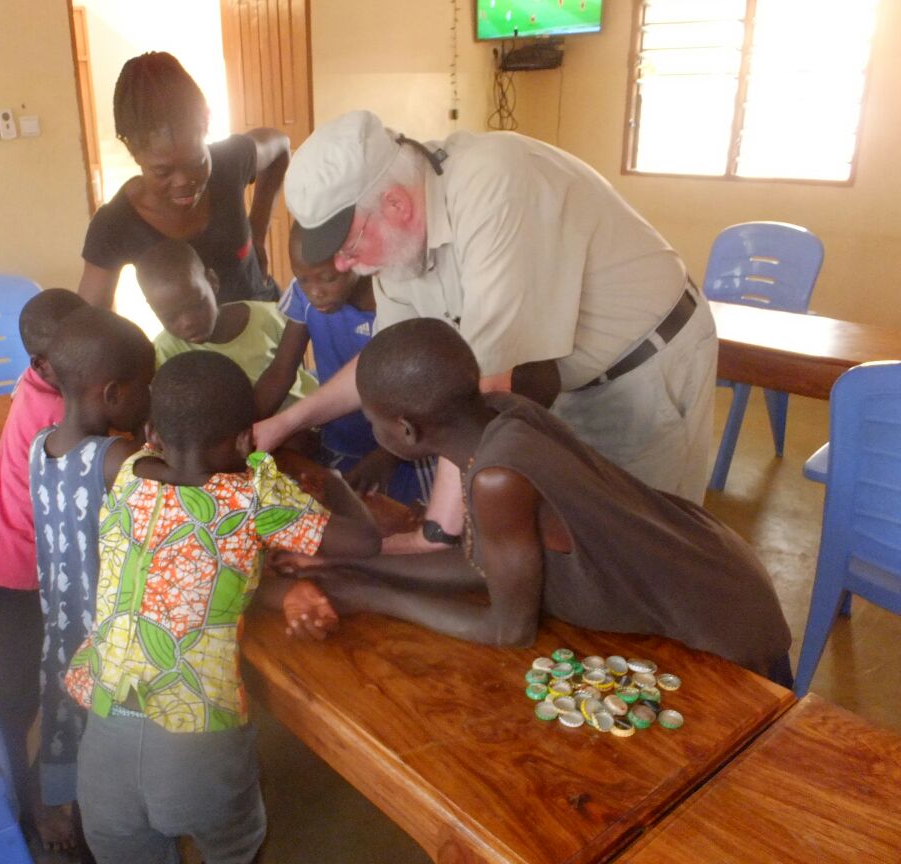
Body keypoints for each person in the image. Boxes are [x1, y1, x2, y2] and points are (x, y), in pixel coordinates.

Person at [257, 110, 717, 538]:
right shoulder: (394, 239)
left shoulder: (493, 183)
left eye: (348, 246)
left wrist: (435, 533)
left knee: (646, 544)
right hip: (567, 387)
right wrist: (283, 424)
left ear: (396, 205)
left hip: (642, 367)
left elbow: (481, 391)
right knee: (579, 539)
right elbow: (386, 359)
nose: (345, 264)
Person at [284, 319, 792, 685]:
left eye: (371, 419)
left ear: (406, 430)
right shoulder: (504, 416)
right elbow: (484, 566)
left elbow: (509, 628)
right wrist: (354, 565)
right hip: (720, 570)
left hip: (725, 629)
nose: (369, 430)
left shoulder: (498, 479)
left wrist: (364, 594)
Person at [62, 351, 380, 864]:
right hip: (199, 741)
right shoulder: (254, 497)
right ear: (242, 440)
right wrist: (334, 483)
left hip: (103, 738)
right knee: (233, 850)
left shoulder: (127, 476)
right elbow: (366, 542)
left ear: (153, 434)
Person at [28, 305, 156, 832]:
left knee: (65, 711)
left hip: (61, 617)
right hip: (108, 629)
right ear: (114, 395)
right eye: (145, 387)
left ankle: (67, 806)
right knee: (119, 721)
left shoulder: (42, 446)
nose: (150, 397)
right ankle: (122, 816)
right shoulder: (118, 456)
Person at [0, 287, 85, 850]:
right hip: (23, 576)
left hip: (14, 563)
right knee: (21, 701)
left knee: (49, 690)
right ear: (43, 363)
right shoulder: (56, 413)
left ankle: (35, 793)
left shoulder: (36, 382)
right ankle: (30, 810)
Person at [78, 51, 290, 309]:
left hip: (266, 326)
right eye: (162, 172)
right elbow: (91, 318)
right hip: (194, 345)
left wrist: (258, 229)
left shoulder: (229, 163)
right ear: (134, 153)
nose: (183, 182)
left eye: (195, 163)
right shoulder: (116, 225)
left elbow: (281, 146)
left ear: (205, 125)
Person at [254, 223, 434, 506]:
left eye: (327, 278)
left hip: (408, 449)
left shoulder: (396, 300)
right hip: (340, 441)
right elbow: (281, 372)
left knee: (408, 520)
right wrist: (246, 430)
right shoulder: (305, 295)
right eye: (303, 280)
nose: (315, 292)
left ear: (356, 260)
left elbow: (430, 390)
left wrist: (391, 454)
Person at [139, 238, 317, 409]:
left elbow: (295, 367)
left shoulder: (267, 316)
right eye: (170, 317)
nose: (187, 322)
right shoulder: (164, 352)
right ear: (153, 309)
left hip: (310, 413)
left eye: (197, 305)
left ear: (212, 282)